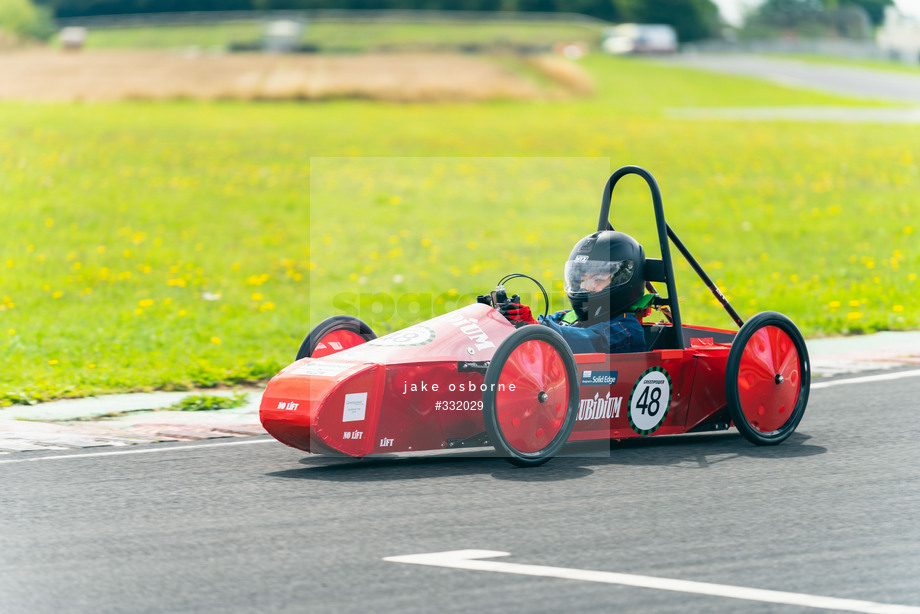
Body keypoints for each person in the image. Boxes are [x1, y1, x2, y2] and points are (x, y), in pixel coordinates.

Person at [500, 230, 648, 354]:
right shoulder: (569, 317)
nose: (586, 287)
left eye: (597, 280)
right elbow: (545, 322)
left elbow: (589, 341)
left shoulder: (627, 329)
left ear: (622, 280)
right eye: (582, 279)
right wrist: (513, 320)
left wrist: (536, 327)